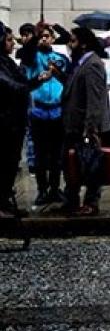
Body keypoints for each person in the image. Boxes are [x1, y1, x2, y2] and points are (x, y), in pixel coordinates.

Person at [60, 27, 110, 216]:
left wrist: (90, 128)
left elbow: (94, 99)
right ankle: (70, 200)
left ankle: (91, 202)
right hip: (72, 125)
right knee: (70, 165)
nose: (69, 45)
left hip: (84, 127)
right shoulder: (79, 63)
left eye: (73, 41)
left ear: (83, 43)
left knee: (91, 166)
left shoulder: (92, 65)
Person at [18, 24, 70, 208]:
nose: (44, 39)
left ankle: (55, 188)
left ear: (53, 39)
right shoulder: (32, 56)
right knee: (40, 155)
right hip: (38, 111)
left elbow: (68, 78)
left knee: (57, 155)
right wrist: (34, 37)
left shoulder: (60, 58)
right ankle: (42, 189)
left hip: (57, 110)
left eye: (48, 36)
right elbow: (25, 55)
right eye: (41, 36)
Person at [0, 23, 41, 218]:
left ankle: (4, 200)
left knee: (10, 164)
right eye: (9, 40)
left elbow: (22, 82)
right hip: (4, 124)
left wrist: (39, 80)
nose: (13, 43)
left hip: (14, 123)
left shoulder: (6, 61)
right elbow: (12, 87)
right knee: (4, 164)